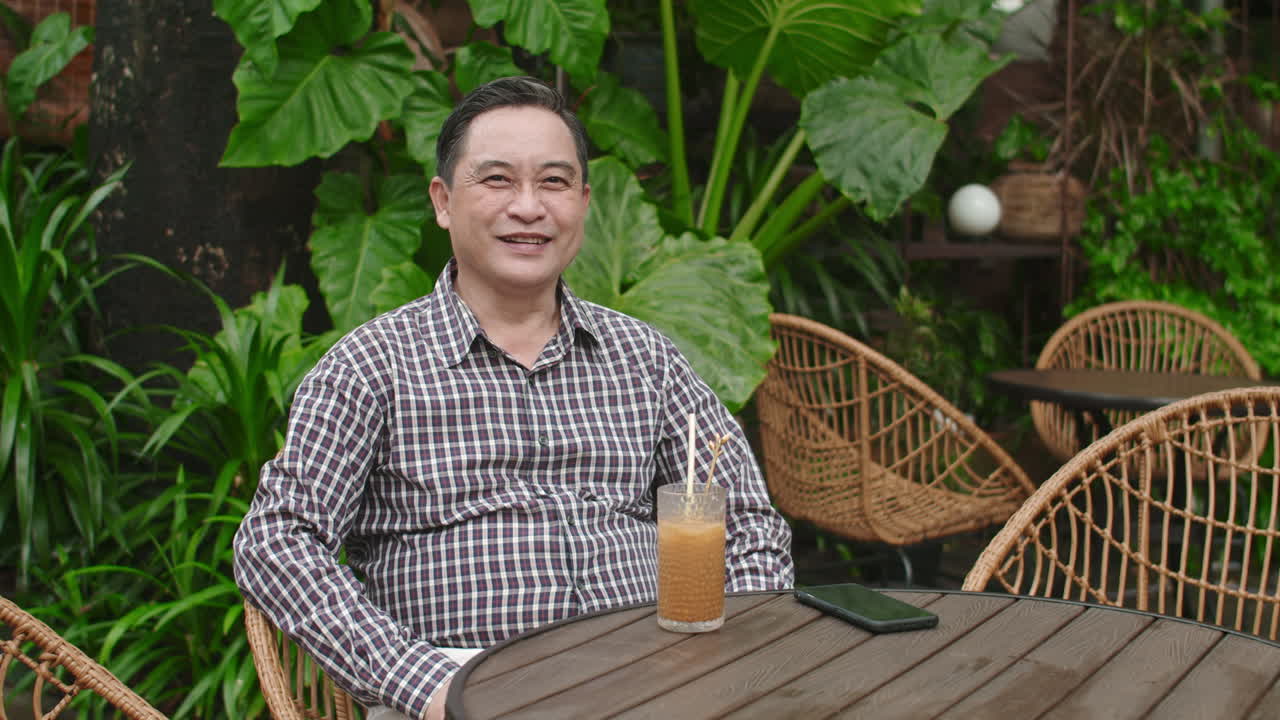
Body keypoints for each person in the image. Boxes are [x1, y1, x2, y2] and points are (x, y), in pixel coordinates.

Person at [233, 76, 794, 720]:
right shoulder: (372, 368)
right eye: (497, 180)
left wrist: (740, 649)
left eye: (554, 182)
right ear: (443, 202)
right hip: (458, 685)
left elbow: (748, 520)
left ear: (584, 202)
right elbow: (277, 538)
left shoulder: (646, 359)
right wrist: (417, 681)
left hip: (652, 677)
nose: (529, 208)